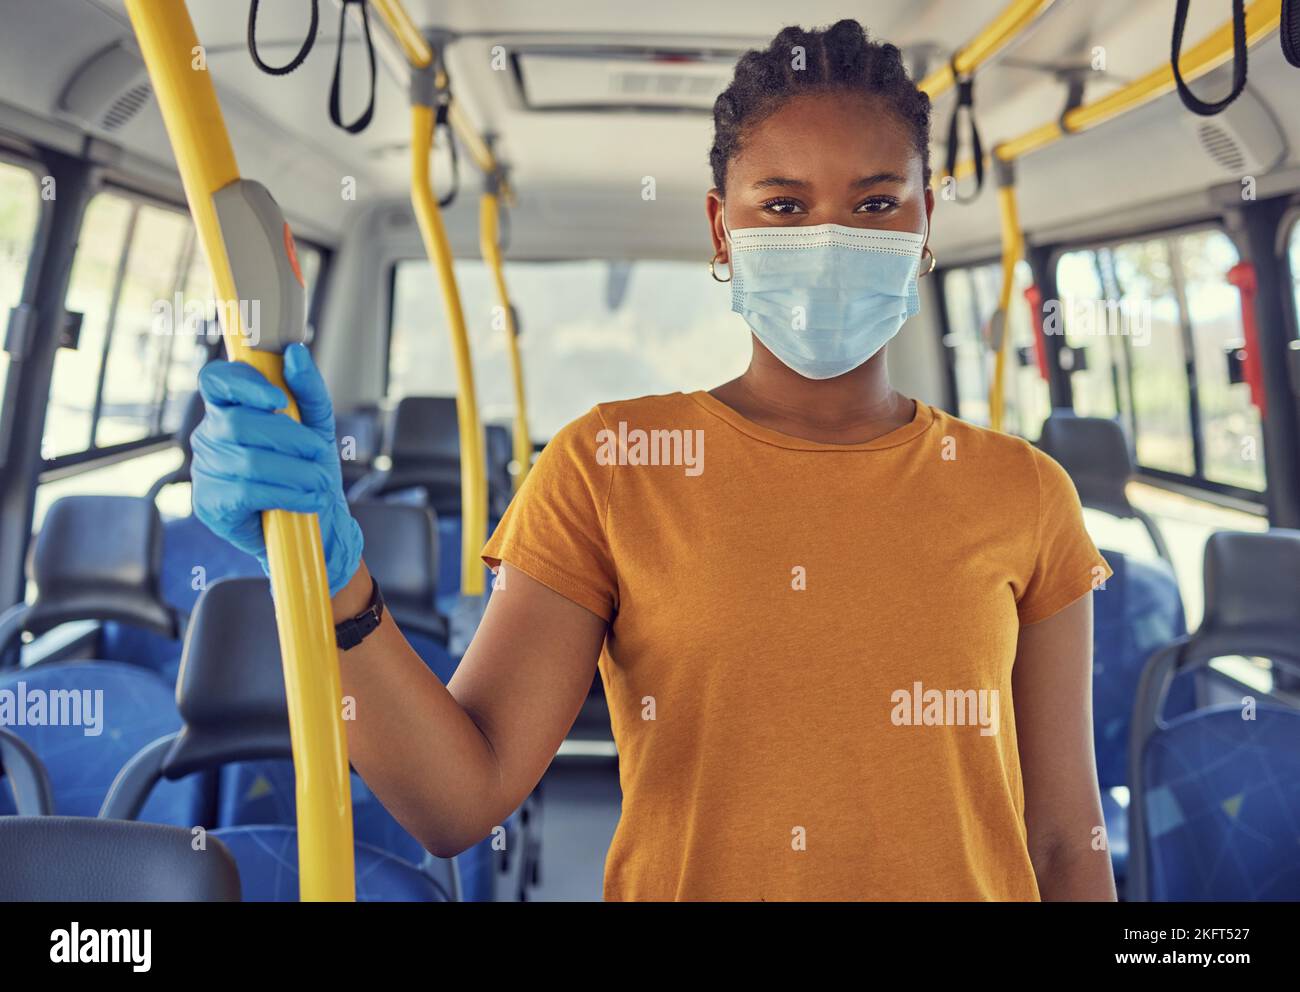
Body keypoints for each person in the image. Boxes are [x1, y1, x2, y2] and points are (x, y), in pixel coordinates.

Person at [190, 19, 1116, 901]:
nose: (831, 239)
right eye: (783, 205)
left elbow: (1065, 839)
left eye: (877, 202)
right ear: (724, 231)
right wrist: (335, 581)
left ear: (925, 226)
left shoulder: (1025, 492)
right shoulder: (609, 467)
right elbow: (455, 802)